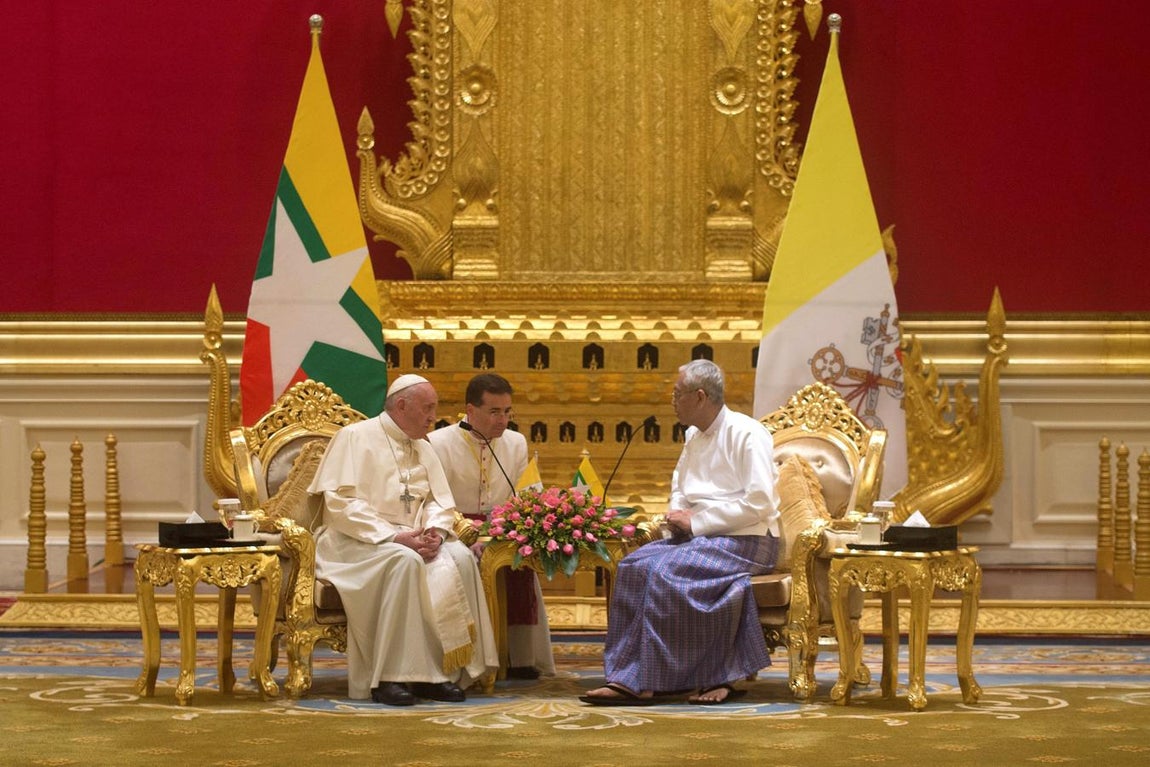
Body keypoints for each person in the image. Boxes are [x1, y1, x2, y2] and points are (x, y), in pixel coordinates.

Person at [580, 359, 781, 706]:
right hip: (701, 536)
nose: (672, 400)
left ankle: (664, 679)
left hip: (750, 538)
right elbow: (680, 485)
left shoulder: (747, 434)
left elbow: (760, 503)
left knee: (664, 571)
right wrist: (677, 513)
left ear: (700, 397)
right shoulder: (692, 435)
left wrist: (698, 522)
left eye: (677, 393)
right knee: (631, 567)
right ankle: (627, 676)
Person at [307, 373, 498, 706]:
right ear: (401, 405)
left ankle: (439, 674)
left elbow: (440, 502)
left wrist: (434, 534)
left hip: (413, 538)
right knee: (405, 561)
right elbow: (339, 506)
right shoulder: (353, 437)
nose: (432, 416)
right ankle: (391, 677)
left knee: (461, 557)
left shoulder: (423, 446)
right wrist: (395, 536)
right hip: (356, 542)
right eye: (427, 408)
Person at [429, 373, 556, 679]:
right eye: (495, 412)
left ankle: (519, 656)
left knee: (519, 563)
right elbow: (436, 499)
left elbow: (527, 491)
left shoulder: (515, 442)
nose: (503, 420)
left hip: (504, 527)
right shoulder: (438, 442)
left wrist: (518, 526)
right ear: (471, 410)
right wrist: (465, 533)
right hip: (456, 528)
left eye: (508, 412)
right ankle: (472, 657)